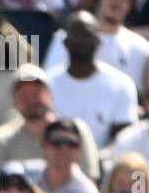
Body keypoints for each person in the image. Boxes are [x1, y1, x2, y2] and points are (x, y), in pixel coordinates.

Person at [44, 0, 149, 100]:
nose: (116, 1)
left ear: (131, 5)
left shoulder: (142, 49)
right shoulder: (67, 38)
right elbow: (50, 82)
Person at [0, 65, 100, 184]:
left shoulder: (76, 131)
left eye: (36, 92)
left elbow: (89, 181)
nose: (31, 99)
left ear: (50, 95)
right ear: (13, 101)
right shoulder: (2, 139)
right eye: (24, 94)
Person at [46, 11, 139, 150]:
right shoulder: (47, 84)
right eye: (77, 34)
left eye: (88, 34)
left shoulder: (122, 84)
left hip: (106, 166)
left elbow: (124, 139)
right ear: (65, 42)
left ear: (98, 41)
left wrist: (97, 162)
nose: (83, 40)